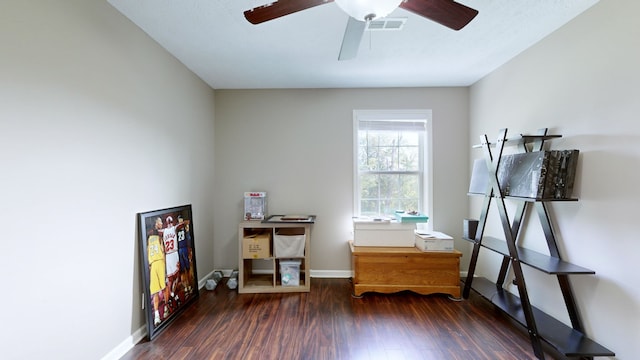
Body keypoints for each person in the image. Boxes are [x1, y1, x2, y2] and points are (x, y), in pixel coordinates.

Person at [146, 217, 166, 326]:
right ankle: (165, 308)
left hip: (152, 264)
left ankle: (157, 315)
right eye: (160, 222)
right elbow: (163, 252)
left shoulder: (148, 240)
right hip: (159, 262)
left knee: (155, 292)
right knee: (163, 287)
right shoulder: (159, 238)